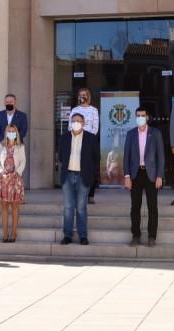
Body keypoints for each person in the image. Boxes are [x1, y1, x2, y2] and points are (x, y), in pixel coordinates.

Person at [123, 107, 164, 247]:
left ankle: (152, 236)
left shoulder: (155, 133)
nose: (140, 117)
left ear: (147, 117)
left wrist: (160, 176)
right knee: (135, 207)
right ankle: (136, 235)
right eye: (138, 115)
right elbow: (126, 157)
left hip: (151, 175)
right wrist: (127, 176)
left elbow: (161, 156)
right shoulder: (131, 134)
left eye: (142, 115)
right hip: (135, 174)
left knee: (153, 207)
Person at [57, 112, 99, 245]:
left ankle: (83, 236)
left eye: (79, 121)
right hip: (67, 176)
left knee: (81, 207)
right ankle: (67, 235)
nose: (76, 123)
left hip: (83, 176)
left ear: (83, 123)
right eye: (74, 120)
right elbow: (60, 156)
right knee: (68, 207)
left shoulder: (91, 138)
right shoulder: (64, 137)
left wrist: (92, 176)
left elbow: (96, 159)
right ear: (70, 122)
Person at [0, 124, 26, 242]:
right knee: (4, 207)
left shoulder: (20, 146)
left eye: (13, 131)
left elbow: (23, 161)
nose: (11, 133)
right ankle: (5, 234)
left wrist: (17, 173)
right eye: (9, 131)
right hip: (3, 179)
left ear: (16, 133)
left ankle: (13, 234)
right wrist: (0, 171)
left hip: (15, 179)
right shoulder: (1, 145)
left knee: (15, 207)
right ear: (6, 133)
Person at [71, 88, 100, 202]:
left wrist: (87, 138)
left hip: (89, 142)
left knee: (90, 168)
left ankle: (90, 195)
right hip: (76, 141)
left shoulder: (94, 110)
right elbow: (70, 126)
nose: (82, 96)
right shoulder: (75, 110)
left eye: (84, 94)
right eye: (80, 95)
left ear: (88, 96)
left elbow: (95, 127)